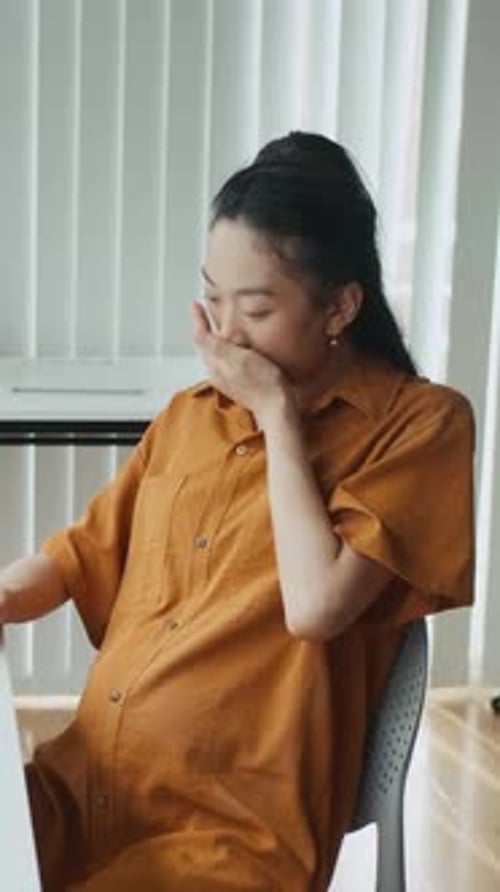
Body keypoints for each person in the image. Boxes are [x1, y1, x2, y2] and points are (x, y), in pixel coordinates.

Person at [0, 131, 474, 892]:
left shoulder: (422, 427)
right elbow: (78, 554)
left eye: (252, 308)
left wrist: (276, 418)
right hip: (80, 793)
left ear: (341, 306)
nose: (222, 332)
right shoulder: (190, 416)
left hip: (231, 838)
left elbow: (316, 607)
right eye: (211, 297)